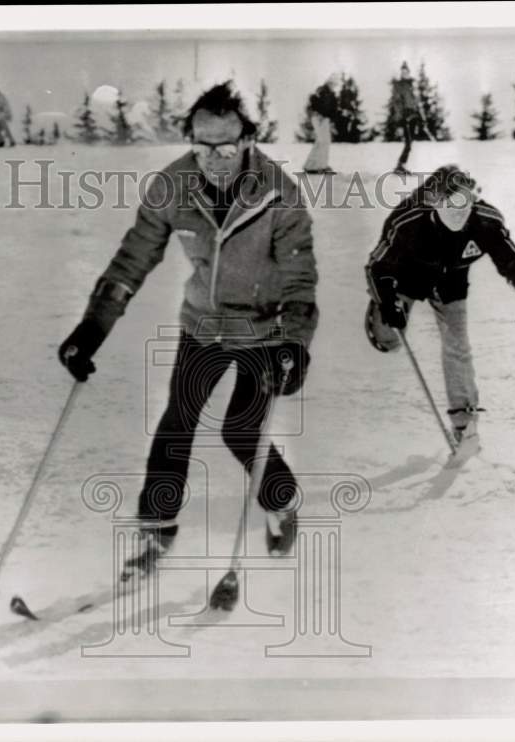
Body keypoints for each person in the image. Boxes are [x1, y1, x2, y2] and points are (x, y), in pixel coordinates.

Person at [58, 82, 319, 580]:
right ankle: (155, 533)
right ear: (190, 141)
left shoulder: (279, 192)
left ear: (246, 139)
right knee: (177, 423)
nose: (215, 158)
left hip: (263, 329)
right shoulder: (172, 186)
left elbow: (299, 275)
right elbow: (132, 259)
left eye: (226, 146)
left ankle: (282, 504)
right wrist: (90, 330)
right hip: (202, 325)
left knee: (242, 430)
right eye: (203, 146)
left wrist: (295, 342)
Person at [364, 164, 515, 447]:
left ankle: (464, 425)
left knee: (458, 344)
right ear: (435, 202)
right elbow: (377, 266)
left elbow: (514, 264)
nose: (459, 209)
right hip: (407, 276)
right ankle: (388, 320)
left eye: (466, 201)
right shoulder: (408, 221)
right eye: (450, 202)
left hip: (451, 281)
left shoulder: (486, 222)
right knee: (387, 338)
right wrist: (387, 301)